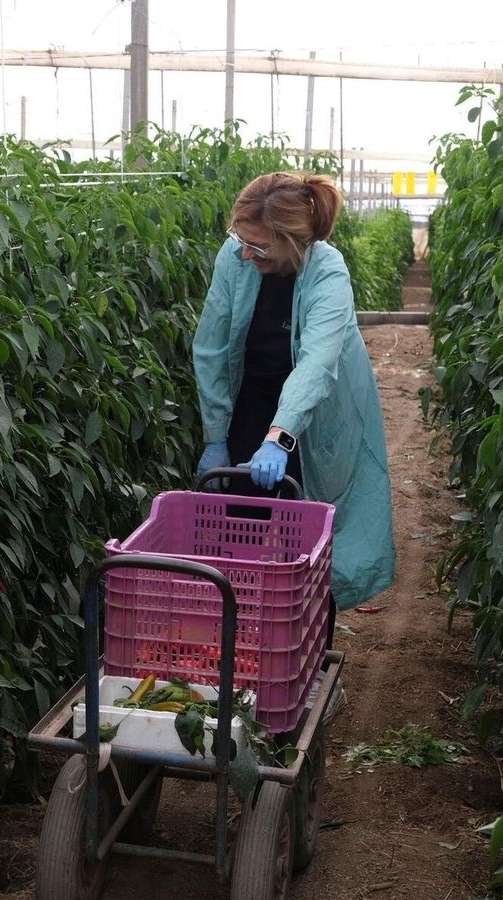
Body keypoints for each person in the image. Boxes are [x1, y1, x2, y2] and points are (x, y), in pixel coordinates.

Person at [191, 171, 397, 718]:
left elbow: (318, 362)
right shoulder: (235, 258)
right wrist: (217, 436)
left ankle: (306, 669)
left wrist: (279, 438)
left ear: (291, 244)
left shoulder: (327, 272)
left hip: (320, 411)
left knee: (310, 536)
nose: (246, 253)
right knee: (241, 524)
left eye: (259, 247)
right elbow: (211, 347)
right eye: (241, 241)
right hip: (253, 397)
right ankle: (239, 662)